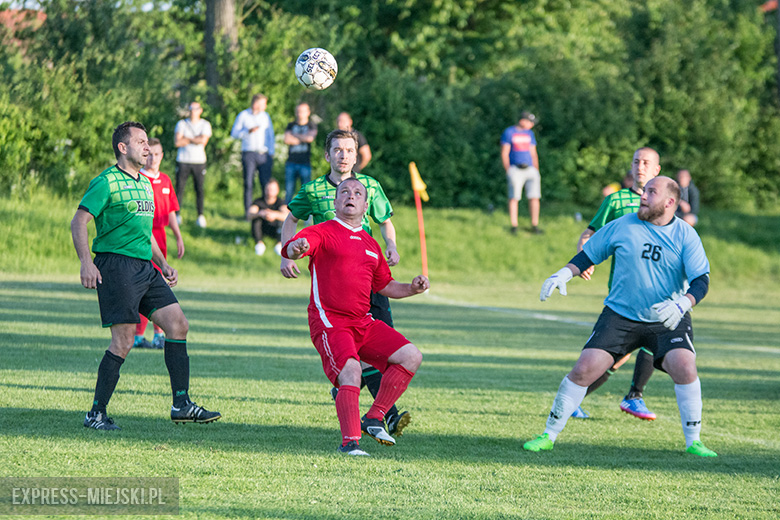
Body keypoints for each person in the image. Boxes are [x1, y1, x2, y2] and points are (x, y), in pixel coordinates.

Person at [524, 176, 717, 457]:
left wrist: (682, 305)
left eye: (652, 192)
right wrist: (563, 273)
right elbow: (588, 255)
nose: (643, 195)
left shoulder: (685, 235)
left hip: (667, 318)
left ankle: (694, 441)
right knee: (584, 369)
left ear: (670, 202)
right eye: (644, 190)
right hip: (620, 316)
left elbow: (701, 281)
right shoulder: (624, 224)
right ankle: (548, 434)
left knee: (685, 366)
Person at [71, 121, 220, 430]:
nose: (147, 147)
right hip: (116, 267)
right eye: (140, 142)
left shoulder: (144, 184)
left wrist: (163, 264)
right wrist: (87, 262)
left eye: (147, 142)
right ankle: (96, 413)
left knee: (178, 325)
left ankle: (181, 404)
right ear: (122, 148)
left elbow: (145, 231)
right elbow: (79, 221)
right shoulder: (106, 182)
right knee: (123, 341)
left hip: (145, 267)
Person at [283, 177, 429, 456]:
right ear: (336, 202)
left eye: (358, 193)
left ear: (365, 205)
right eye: (344, 192)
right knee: (351, 370)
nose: (351, 196)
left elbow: (385, 286)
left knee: (412, 356)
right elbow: (295, 247)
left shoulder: (371, 244)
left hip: (362, 321)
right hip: (329, 321)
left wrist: (412, 288)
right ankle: (350, 443)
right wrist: (294, 248)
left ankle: (374, 417)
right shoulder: (322, 231)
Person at [280, 129, 410, 437]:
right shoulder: (312, 189)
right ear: (327, 155)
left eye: (349, 150)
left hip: (370, 275)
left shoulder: (370, 186)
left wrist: (390, 245)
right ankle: (382, 415)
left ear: (356, 155)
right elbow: (291, 220)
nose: (343, 155)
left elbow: (385, 222)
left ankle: (358, 399)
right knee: (352, 351)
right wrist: (287, 255)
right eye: (337, 150)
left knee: (382, 346)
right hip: (336, 282)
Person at [572, 147, 662, 420]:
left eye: (647, 163)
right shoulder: (616, 201)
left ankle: (633, 396)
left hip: (657, 288)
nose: (640, 167)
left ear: (657, 170)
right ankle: (582, 395)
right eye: (636, 161)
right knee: (617, 353)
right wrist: (584, 256)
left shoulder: (664, 202)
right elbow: (591, 233)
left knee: (651, 339)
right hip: (623, 289)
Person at [135, 138, 185, 349]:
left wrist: (178, 236)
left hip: (161, 237)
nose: (153, 158)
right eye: (150, 154)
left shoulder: (165, 180)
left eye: (157, 154)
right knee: (144, 286)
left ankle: (158, 334)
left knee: (160, 285)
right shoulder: (138, 179)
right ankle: (137, 334)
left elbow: (171, 212)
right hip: (144, 237)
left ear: (162, 156)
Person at [231, 93, 275, 212]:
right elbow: (234, 133)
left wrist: (271, 152)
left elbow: (271, 135)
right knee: (248, 183)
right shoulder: (243, 115)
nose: (264, 107)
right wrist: (247, 132)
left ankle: (266, 210)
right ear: (255, 103)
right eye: (263, 104)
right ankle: (248, 212)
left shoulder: (265, 116)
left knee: (265, 183)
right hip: (248, 153)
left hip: (263, 154)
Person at [500, 111, 542, 234]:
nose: (532, 125)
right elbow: (504, 152)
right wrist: (508, 169)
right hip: (515, 169)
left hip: (530, 169)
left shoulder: (530, 134)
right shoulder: (509, 132)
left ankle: (534, 225)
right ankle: (514, 225)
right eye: (530, 122)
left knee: (534, 197)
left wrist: (536, 169)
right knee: (514, 197)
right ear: (522, 120)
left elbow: (533, 152)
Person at [174, 101, 212, 228]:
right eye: (190, 108)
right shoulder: (181, 124)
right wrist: (194, 139)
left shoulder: (205, 124)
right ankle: (177, 215)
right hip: (183, 160)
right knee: (180, 188)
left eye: (195, 108)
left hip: (199, 161)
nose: (193, 111)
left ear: (200, 110)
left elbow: (203, 140)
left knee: (199, 189)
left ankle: (200, 215)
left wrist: (187, 138)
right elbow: (177, 142)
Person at [283, 102, 318, 204]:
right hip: (291, 162)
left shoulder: (311, 125)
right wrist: (303, 138)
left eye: (302, 111)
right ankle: (286, 213)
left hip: (305, 163)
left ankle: (307, 216)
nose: (300, 114)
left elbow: (310, 138)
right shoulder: (291, 125)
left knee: (306, 191)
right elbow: (287, 140)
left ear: (308, 112)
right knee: (289, 190)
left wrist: (294, 135)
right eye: (298, 111)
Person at [247, 178, 288, 256]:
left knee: (282, 220)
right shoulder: (258, 201)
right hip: (262, 229)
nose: (270, 192)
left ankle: (279, 245)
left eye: (272, 189)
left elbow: (287, 216)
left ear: (277, 190)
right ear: (265, 189)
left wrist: (275, 214)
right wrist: (260, 213)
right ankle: (259, 244)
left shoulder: (280, 202)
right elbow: (249, 214)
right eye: (268, 189)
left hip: (275, 229)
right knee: (256, 219)